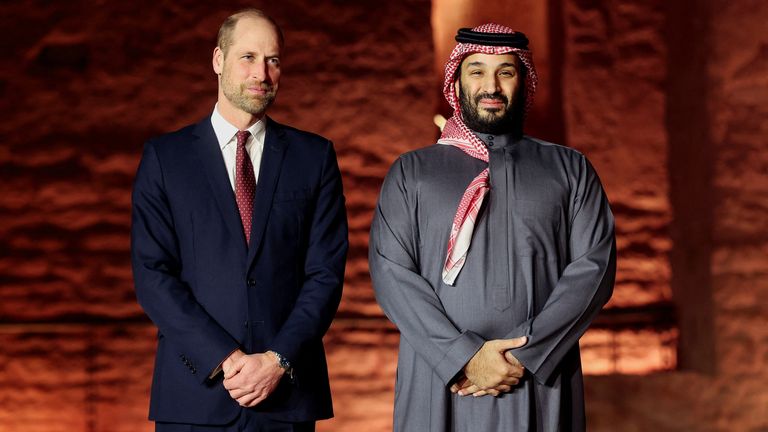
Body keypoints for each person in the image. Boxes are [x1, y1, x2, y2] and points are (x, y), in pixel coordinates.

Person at [369, 23, 616, 431]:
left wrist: (524, 356)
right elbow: (391, 273)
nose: (492, 86)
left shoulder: (571, 169)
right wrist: (463, 357)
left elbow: (594, 270)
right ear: (456, 81)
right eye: (477, 71)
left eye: (505, 72)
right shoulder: (411, 172)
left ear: (523, 82)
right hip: (442, 380)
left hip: (540, 376)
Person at [131, 9, 347, 432]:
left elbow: (325, 274)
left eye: (273, 60)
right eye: (247, 57)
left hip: (286, 397)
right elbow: (152, 274)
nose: (262, 73)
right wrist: (226, 360)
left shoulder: (314, 157)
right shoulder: (165, 159)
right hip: (195, 397)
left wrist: (276, 360)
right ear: (217, 60)